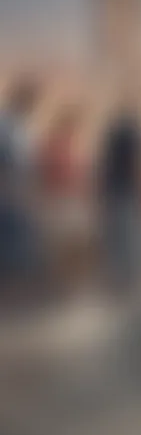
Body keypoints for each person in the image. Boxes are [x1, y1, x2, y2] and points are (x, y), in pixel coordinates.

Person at [97, 100, 141, 294]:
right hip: (126, 191)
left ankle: (119, 280)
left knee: (118, 237)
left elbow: (107, 165)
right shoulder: (130, 134)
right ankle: (127, 282)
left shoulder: (115, 134)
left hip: (115, 191)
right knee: (128, 237)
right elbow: (137, 166)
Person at [38, 104, 89, 291]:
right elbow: (53, 173)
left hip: (68, 200)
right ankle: (59, 285)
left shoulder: (68, 145)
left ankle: (68, 286)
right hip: (58, 201)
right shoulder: (55, 145)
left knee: (72, 245)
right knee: (60, 246)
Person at [0, 77, 42, 286]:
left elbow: (25, 161)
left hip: (18, 194)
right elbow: (8, 161)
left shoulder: (20, 126)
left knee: (20, 241)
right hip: (7, 195)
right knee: (9, 243)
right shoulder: (6, 124)